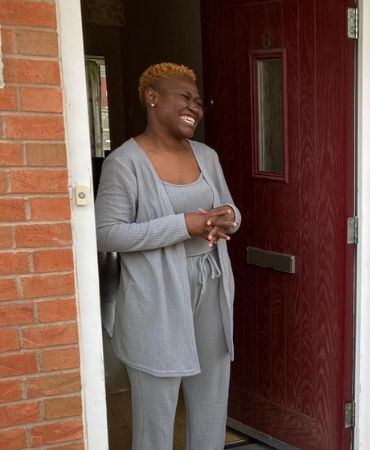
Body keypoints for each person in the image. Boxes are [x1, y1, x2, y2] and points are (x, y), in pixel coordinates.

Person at [95, 62, 241, 450]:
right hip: (154, 299)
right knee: (156, 414)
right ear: (153, 97)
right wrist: (183, 226)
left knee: (210, 401)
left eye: (198, 100)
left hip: (210, 288)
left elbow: (229, 209)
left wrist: (229, 218)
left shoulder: (206, 156)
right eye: (184, 97)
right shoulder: (124, 163)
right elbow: (106, 233)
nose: (195, 105)